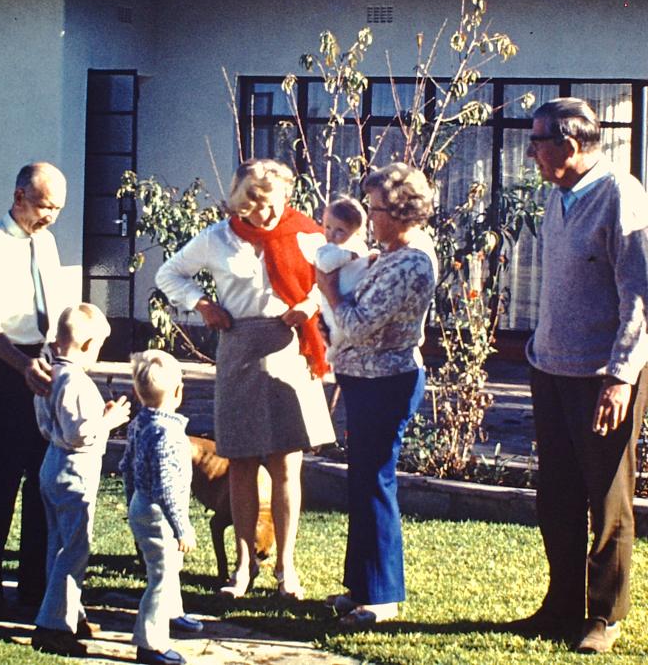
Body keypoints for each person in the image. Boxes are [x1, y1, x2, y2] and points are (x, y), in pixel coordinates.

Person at [515, 97, 648, 655]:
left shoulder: (623, 196)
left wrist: (621, 377)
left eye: (537, 143)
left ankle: (605, 615)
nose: (531, 154)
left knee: (605, 497)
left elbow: (643, 297)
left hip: (604, 376)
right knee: (556, 494)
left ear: (570, 145)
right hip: (552, 367)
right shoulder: (560, 196)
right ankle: (559, 607)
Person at [155, 158, 335, 600]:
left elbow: (330, 280)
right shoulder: (218, 238)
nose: (263, 215)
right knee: (241, 463)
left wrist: (310, 307)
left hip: (289, 347)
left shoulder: (308, 234)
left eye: (270, 204)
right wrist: (201, 304)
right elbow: (169, 274)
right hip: (237, 348)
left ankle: (285, 569)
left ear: (285, 197)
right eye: (252, 206)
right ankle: (242, 569)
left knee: (286, 466)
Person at [316, 163, 438, 629]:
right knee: (362, 482)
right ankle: (361, 586)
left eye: (376, 207)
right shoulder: (390, 252)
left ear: (402, 211)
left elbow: (356, 324)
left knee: (376, 483)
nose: (369, 215)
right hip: (365, 379)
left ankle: (383, 596)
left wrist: (328, 288)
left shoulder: (410, 261)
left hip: (385, 383)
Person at [0, 161, 68, 613]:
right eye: (45, 206)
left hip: (39, 365)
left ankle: (33, 585)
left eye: (57, 209)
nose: (50, 216)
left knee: (41, 477)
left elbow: (55, 307)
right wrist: (22, 366)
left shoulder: (46, 243)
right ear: (19, 196)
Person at [29, 303, 131, 655]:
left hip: (51, 465)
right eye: (99, 347)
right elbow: (78, 434)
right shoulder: (75, 381)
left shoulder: (50, 374)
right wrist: (110, 420)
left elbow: (53, 424)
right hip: (74, 469)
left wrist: (95, 418)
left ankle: (70, 612)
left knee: (59, 545)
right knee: (74, 549)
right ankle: (53, 626)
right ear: (87, 345)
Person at [121, 350, 199, 665]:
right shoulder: (168, 434)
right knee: (162, 574)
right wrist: (182, 527)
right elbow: (166, 488)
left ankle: (173, 611)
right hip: (158, 511)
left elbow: (126, 464)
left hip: (142, 501)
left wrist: (130, 500)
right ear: (178, 392)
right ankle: (150, 642)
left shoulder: (140, 422)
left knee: (170, 565)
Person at [314, 196, 375, 362]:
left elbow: (363, 264)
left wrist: (370, 258)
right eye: (327, 227)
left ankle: (339, 350)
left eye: (340, 230)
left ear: (356, 233)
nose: (331, 234)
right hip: (333, 297)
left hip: (354, 296)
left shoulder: (358, 247)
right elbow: (325, 264)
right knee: (336, 327)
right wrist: (348, 256)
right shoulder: (326, 250)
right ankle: (332, 350)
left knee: (350, 328)